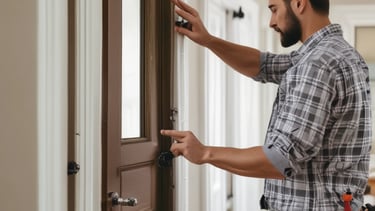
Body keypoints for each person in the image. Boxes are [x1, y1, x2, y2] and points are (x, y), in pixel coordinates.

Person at [160, 0, 372, 210]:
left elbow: (280, 159)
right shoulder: (339, 54)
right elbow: (265, 65)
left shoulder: (317, 64)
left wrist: (205, 153)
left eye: (274, 9)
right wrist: (209, 40)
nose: (271, 22)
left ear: (299, 4)